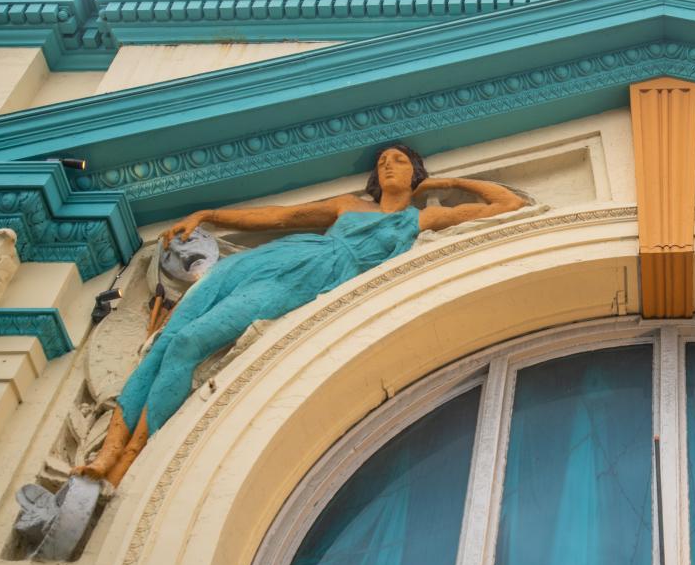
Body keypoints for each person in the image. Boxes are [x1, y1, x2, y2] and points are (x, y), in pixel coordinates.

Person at [77, 143, 524, 486]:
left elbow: (507, 205)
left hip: (301, 283)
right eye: (383, 160)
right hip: (274, 259)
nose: (388, 164)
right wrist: (207, 213)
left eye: (400, 161)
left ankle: (134, 455)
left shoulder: (417, 221)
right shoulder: (350, 205)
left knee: (193, 342)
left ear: (416, 174)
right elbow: (278, 216)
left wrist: (444, 187)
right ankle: (107, 453)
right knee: (171, 334)